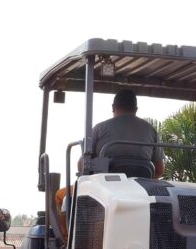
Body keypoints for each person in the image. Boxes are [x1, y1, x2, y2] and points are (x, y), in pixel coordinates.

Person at [55, 89, 165, 239]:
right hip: (142, 191)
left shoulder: (100, 128)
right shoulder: (151, 130)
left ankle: (67, 243)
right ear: (136, 109)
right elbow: (159, 170)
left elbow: (81, 166)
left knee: (60, 196)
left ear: (113, 107)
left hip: (105, 189)